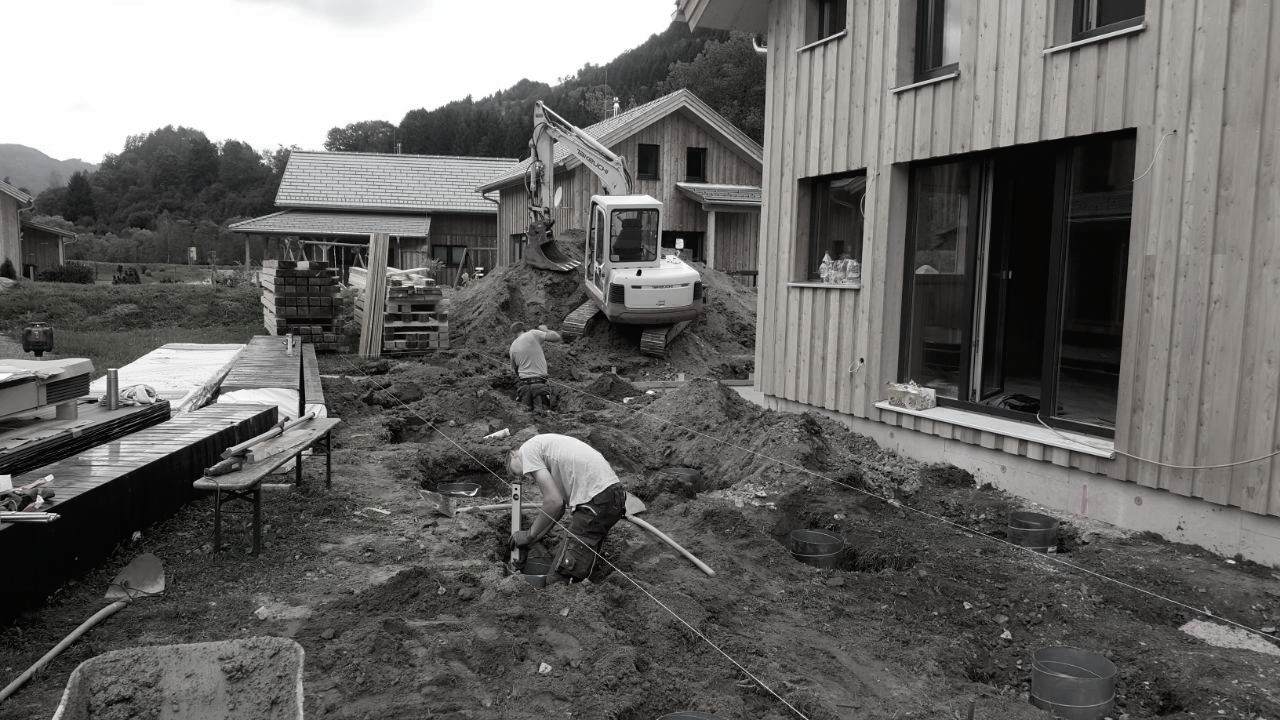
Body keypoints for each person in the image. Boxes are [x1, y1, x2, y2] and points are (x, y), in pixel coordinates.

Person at [507, 433, 628, 583]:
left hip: (596, 498)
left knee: (557, 581)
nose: (522, 476)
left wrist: (528, 535)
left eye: (515, 472)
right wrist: (531, 540)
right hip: (612, 496)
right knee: (577, 571)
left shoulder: (527, 451)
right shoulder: (548, 450)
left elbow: (553, 501)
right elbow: (558, 510)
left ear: (513, 454)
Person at [508, 321, 561, 413]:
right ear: (524, 329)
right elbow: (556, 337)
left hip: (524, 389)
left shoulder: (512, 347)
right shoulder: (532, 334)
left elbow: (516, 370)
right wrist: (545, 329)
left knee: (526, 418)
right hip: (539, 386)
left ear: (513, 334)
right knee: (543, 417)